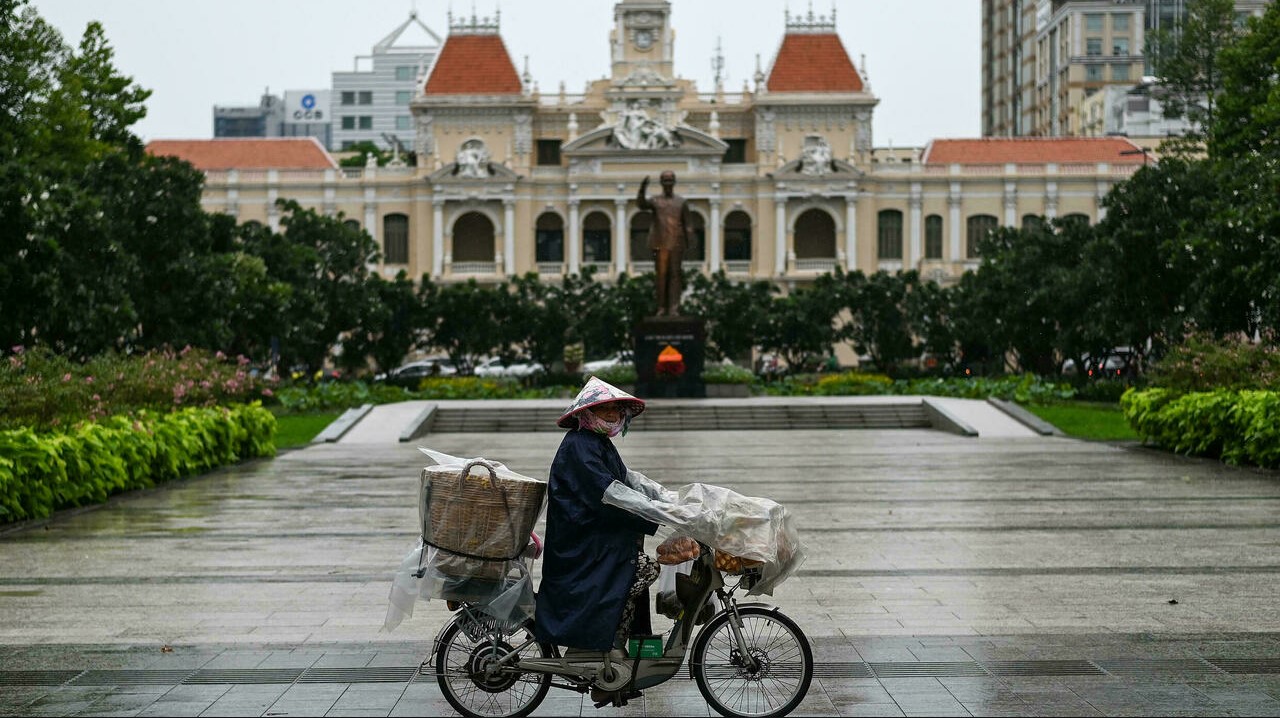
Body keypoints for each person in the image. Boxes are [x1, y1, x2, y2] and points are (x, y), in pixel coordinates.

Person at [534, 377, 659, 666]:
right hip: (582, 545)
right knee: (644, 569)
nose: (614, 416)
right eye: (606, 411)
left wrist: (665, 502)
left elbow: (627, 482)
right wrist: (651, 516)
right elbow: (608, 494)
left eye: (616, 410)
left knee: (638, 565)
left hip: (595, 537)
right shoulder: (580, 446)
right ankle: (601, 642)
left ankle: (617, 641)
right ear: (586, 414)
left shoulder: (597, 443)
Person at [636, 171, 694, 316]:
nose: (668, 184)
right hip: (660, 242)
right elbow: (641, 204)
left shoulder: (681, 202)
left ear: (674, 183)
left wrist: (690, 238)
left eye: (670, 181)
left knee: (675, 275)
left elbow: (688, 223)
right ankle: (661, 307)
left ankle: (674, 307)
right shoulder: (655, 201)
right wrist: (642, 189)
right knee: (661, 275)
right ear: (661, 183)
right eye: (665, 181)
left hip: (676, 242)